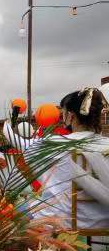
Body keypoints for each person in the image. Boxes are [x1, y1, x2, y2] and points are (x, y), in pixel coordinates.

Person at [34, 88, 109, 229]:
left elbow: (35, 168)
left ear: (71, 116)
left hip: (67, 219)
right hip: (105, 221)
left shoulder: (55, 144)